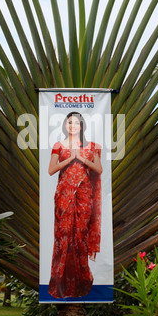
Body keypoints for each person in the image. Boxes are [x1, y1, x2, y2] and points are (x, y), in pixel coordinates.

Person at [48, 112, 102, 299]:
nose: (72, 125)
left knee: (80, 235)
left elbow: (99, 169)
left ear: (81, 126)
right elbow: (51, 170)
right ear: (65, 125)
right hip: (64, 195)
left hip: (84, 195)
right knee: (63, 236)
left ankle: (81, 281)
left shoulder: (91, 146)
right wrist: (70, 159)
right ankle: (60, 282)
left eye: (76, 123)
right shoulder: (58, 146)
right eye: (69, 122)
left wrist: (83, 158)